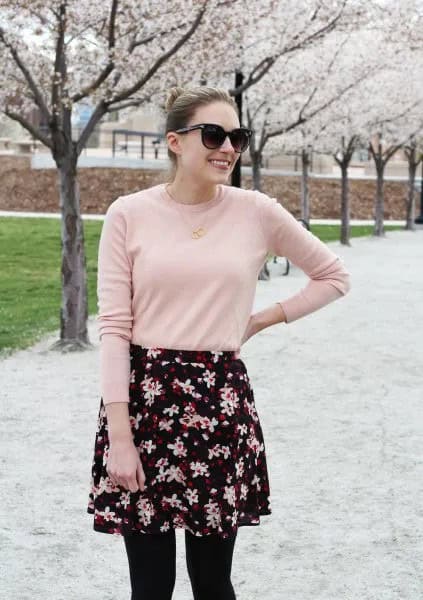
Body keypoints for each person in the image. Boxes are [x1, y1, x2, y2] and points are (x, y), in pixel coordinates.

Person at [87, 85, 351, 600]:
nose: (227, 147)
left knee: (212, 581)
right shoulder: (128, 214)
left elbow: (333, 276)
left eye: (237, 137)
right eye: (213, 134)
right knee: (150, 585)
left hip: (218, 401)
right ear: (174, 142)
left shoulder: (257, 211)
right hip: (144, 405)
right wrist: (120, 435)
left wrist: (260, 320)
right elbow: (115, 328)